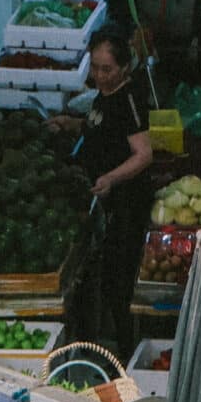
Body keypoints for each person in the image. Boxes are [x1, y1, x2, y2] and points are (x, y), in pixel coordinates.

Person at [56, 29, 153, 357]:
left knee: (119, 285)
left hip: (125, 208)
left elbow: (143, 154)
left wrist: (111, 178)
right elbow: (99, 128)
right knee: (106, 281)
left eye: (107, 69)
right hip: (104, 204)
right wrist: (71, 125)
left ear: (124, 68)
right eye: (95, 67)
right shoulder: (104, 94)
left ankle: (126, 358)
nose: (99, 75)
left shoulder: (128, 98)